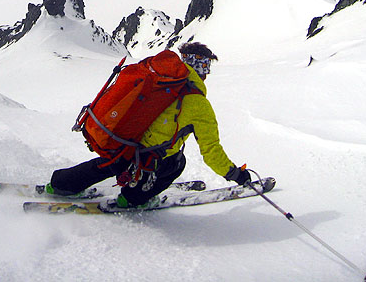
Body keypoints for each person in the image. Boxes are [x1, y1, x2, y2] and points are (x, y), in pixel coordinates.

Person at [47, 42, 251, 208]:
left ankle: (59, 184)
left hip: (124, 142)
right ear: (202, 69)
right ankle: (131, 199)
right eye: (206, 68)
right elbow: (211, 151)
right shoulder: (199, 104)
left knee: (116, 161)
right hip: (147, 158)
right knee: (177, 163)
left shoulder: (161, 79)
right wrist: (236, 174)